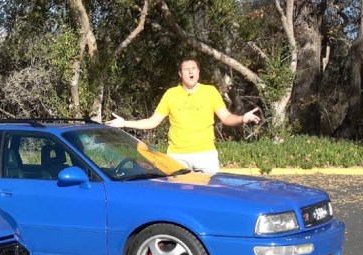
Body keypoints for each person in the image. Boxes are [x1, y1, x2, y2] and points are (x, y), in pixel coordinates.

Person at [105, 58, 261, 174]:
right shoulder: (171, 94)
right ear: (180, 73)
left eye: (194, 68)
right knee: (180, 199)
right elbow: (153, 122)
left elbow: (226, 118)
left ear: (199, 72)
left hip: (205, 155)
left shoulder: (210, 92)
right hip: (178, 156)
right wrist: (125, 123)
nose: (191, 72)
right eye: (187, 69)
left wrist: (242, 118)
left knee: (209, 198)